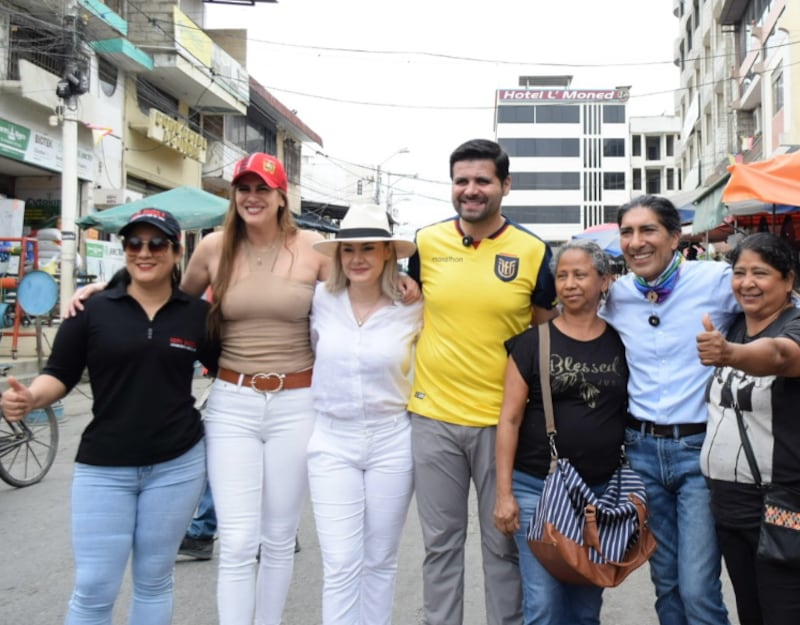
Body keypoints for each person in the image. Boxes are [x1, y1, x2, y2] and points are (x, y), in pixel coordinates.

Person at [1, 208, 218, 625]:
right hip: (104, 468)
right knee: (95, 587)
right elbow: (59, 375)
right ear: (124, 249)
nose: (144, 252)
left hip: (178, 464)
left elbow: (229, 367)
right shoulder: (93, 311)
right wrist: (29, 399)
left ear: (176, 252)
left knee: (155, 580)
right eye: (134, 243)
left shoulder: (196, 315)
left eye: (157, 243)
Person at [407, 138, 557, 625]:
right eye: (461, 181)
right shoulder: (425, 244)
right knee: (441, 546)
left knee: (502, 546)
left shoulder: (533, 251)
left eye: (482, 181)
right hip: (433, 419)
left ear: (505, 186)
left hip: (504, 425)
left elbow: (545, 336)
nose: (470, 190)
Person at [599, 194, 737, 625]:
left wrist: (734, 351)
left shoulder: (716, 281)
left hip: (699, 450)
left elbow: (780, 306)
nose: (635, 242)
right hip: (641, 452)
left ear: (675, 237)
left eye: (648, 230)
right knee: (667, 586)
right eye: (627, 232)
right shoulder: (617, 294)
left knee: (697, 588)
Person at [494, 239, 628, 625]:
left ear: (604, 281)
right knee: (544, 606)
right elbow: (510, 419)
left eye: (580, 274)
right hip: (538, 488)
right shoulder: (532, 343)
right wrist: (504, 494)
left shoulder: (621, 341)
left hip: (599, 494)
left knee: (586, 607)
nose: (569, 283)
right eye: (562, 276)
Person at [308, 203, 423, 625]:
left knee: (380, 559)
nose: (357, 258)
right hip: (332, 439)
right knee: (340, 561)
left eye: (368, 249)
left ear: (388, 254)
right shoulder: (320, 299)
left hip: (392, 438)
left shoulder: (412, 307)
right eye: (349, 249)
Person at [696, 232, 800, 625]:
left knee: (784, 612)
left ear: (788, 280)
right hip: (730, 506)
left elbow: (779, 355)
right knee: (751, 613)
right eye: (739, 272)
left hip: (782, 506)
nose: (747, 282)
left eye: (761, 272)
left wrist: (729, 355)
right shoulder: (736, 325)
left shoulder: (793, 326)